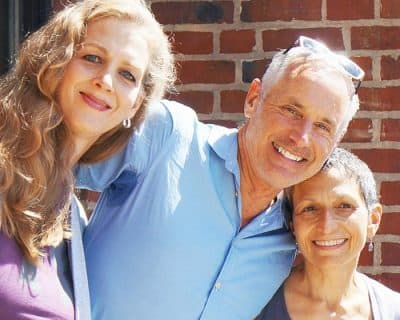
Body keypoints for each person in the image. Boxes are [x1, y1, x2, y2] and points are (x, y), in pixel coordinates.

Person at [75, 36, 365, 319]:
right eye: (291, 110)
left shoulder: (293, 231)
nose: (301, 137)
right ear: (253, 99)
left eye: (323, 127)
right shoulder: (167, 135)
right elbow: (48, 165)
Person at [0, 0, 174, 319]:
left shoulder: (72, 221)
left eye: (127, 75)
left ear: (135, 106)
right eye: (92, 57)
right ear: (57, 61)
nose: (105, 81)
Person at [256, 147, 400, 320]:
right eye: (310, 209)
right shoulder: (254, 305)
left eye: (344, 206)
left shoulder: (393, 310)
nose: (326, 226)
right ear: (292, 224)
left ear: (373, 219)